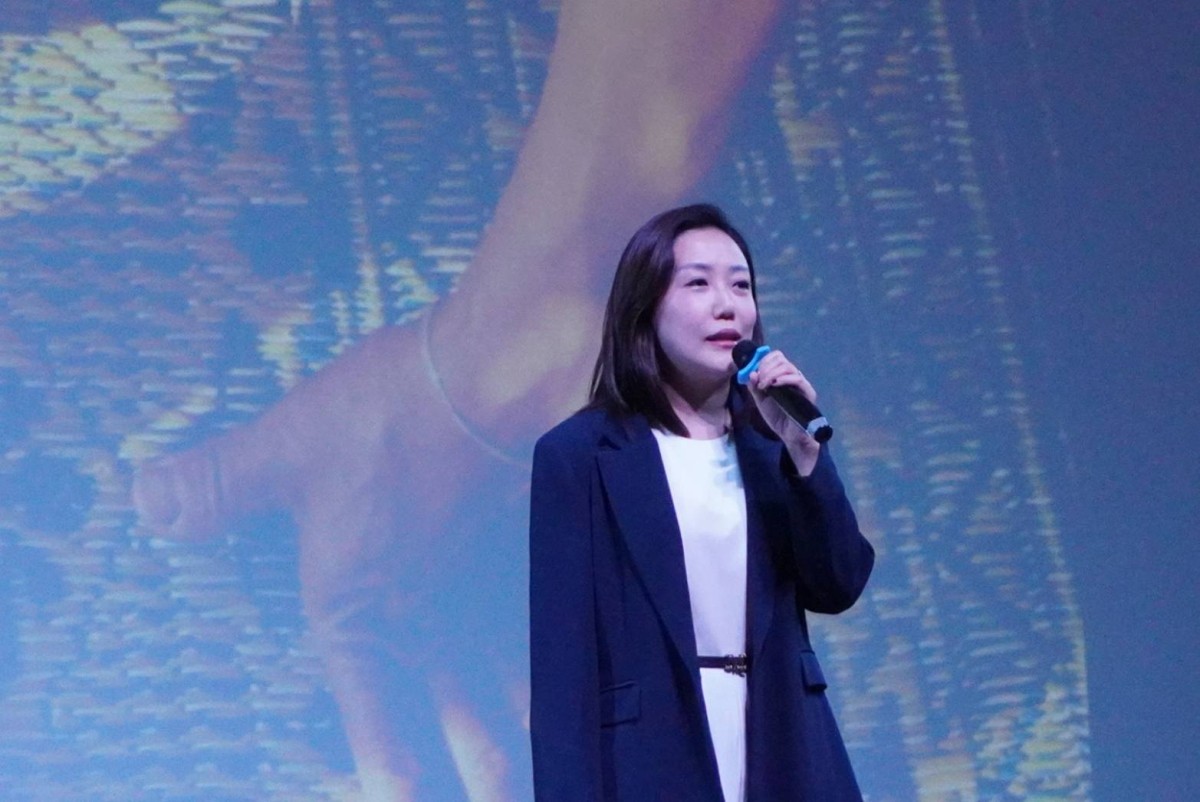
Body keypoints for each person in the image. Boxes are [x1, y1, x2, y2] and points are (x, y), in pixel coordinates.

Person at [528, 203, 875, 801]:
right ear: (644, 308)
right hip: (651, 759)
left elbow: (838, 583)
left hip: (785, 745)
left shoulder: (773, 444)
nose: (727, 305)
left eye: (740, 285)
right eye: (698, 284)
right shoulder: (580, 455)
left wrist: (805, 459)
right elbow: (564, 669)